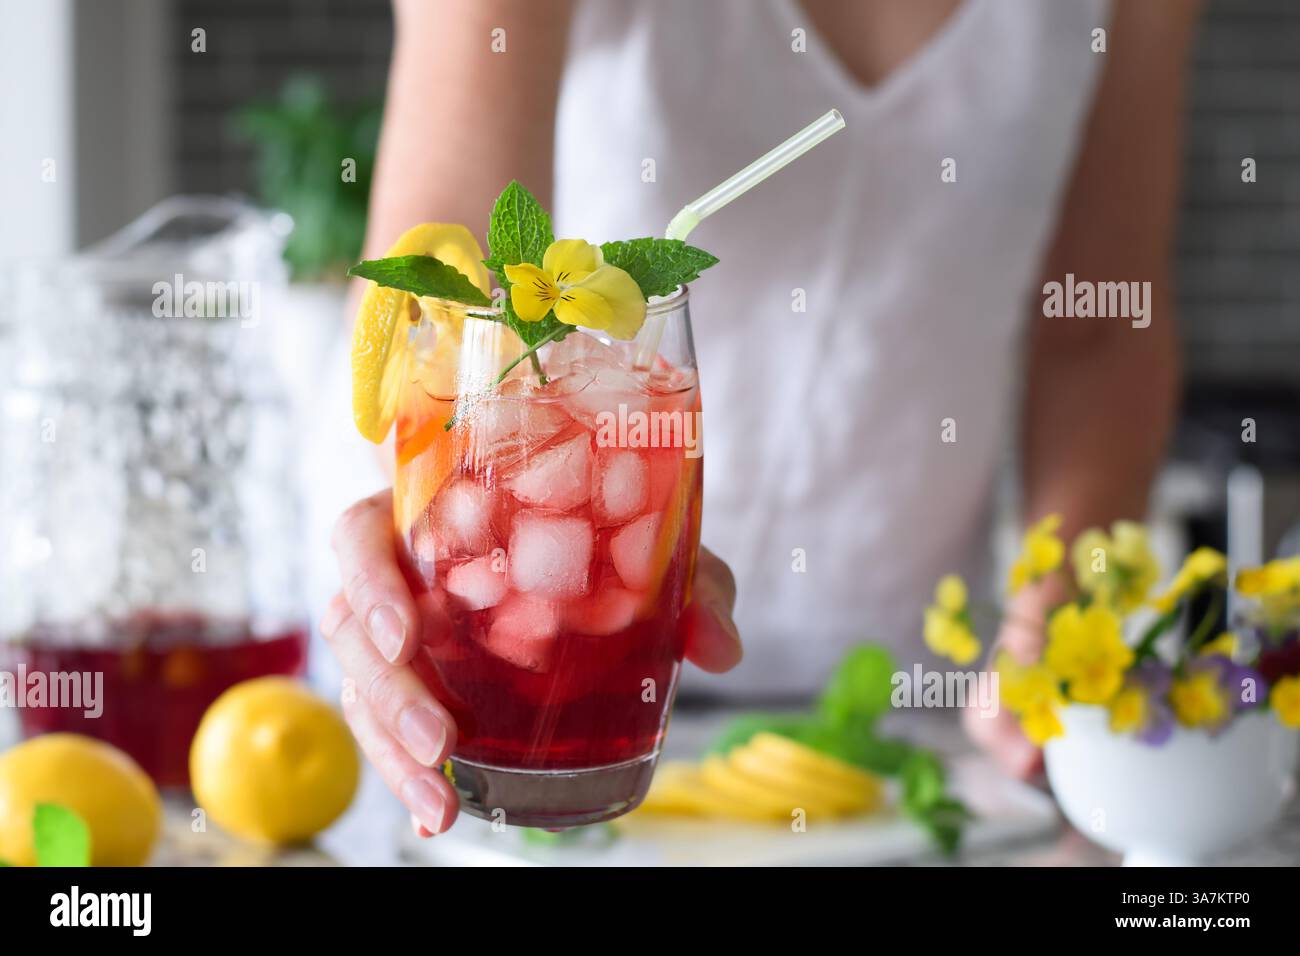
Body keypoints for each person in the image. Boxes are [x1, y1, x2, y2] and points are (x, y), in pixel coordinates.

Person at [320, 0, 1198, 836]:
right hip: (500, 683)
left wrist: (1051, 612)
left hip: (901, 711)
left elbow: (1098, 331)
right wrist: (436, 537)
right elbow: (441, 286)